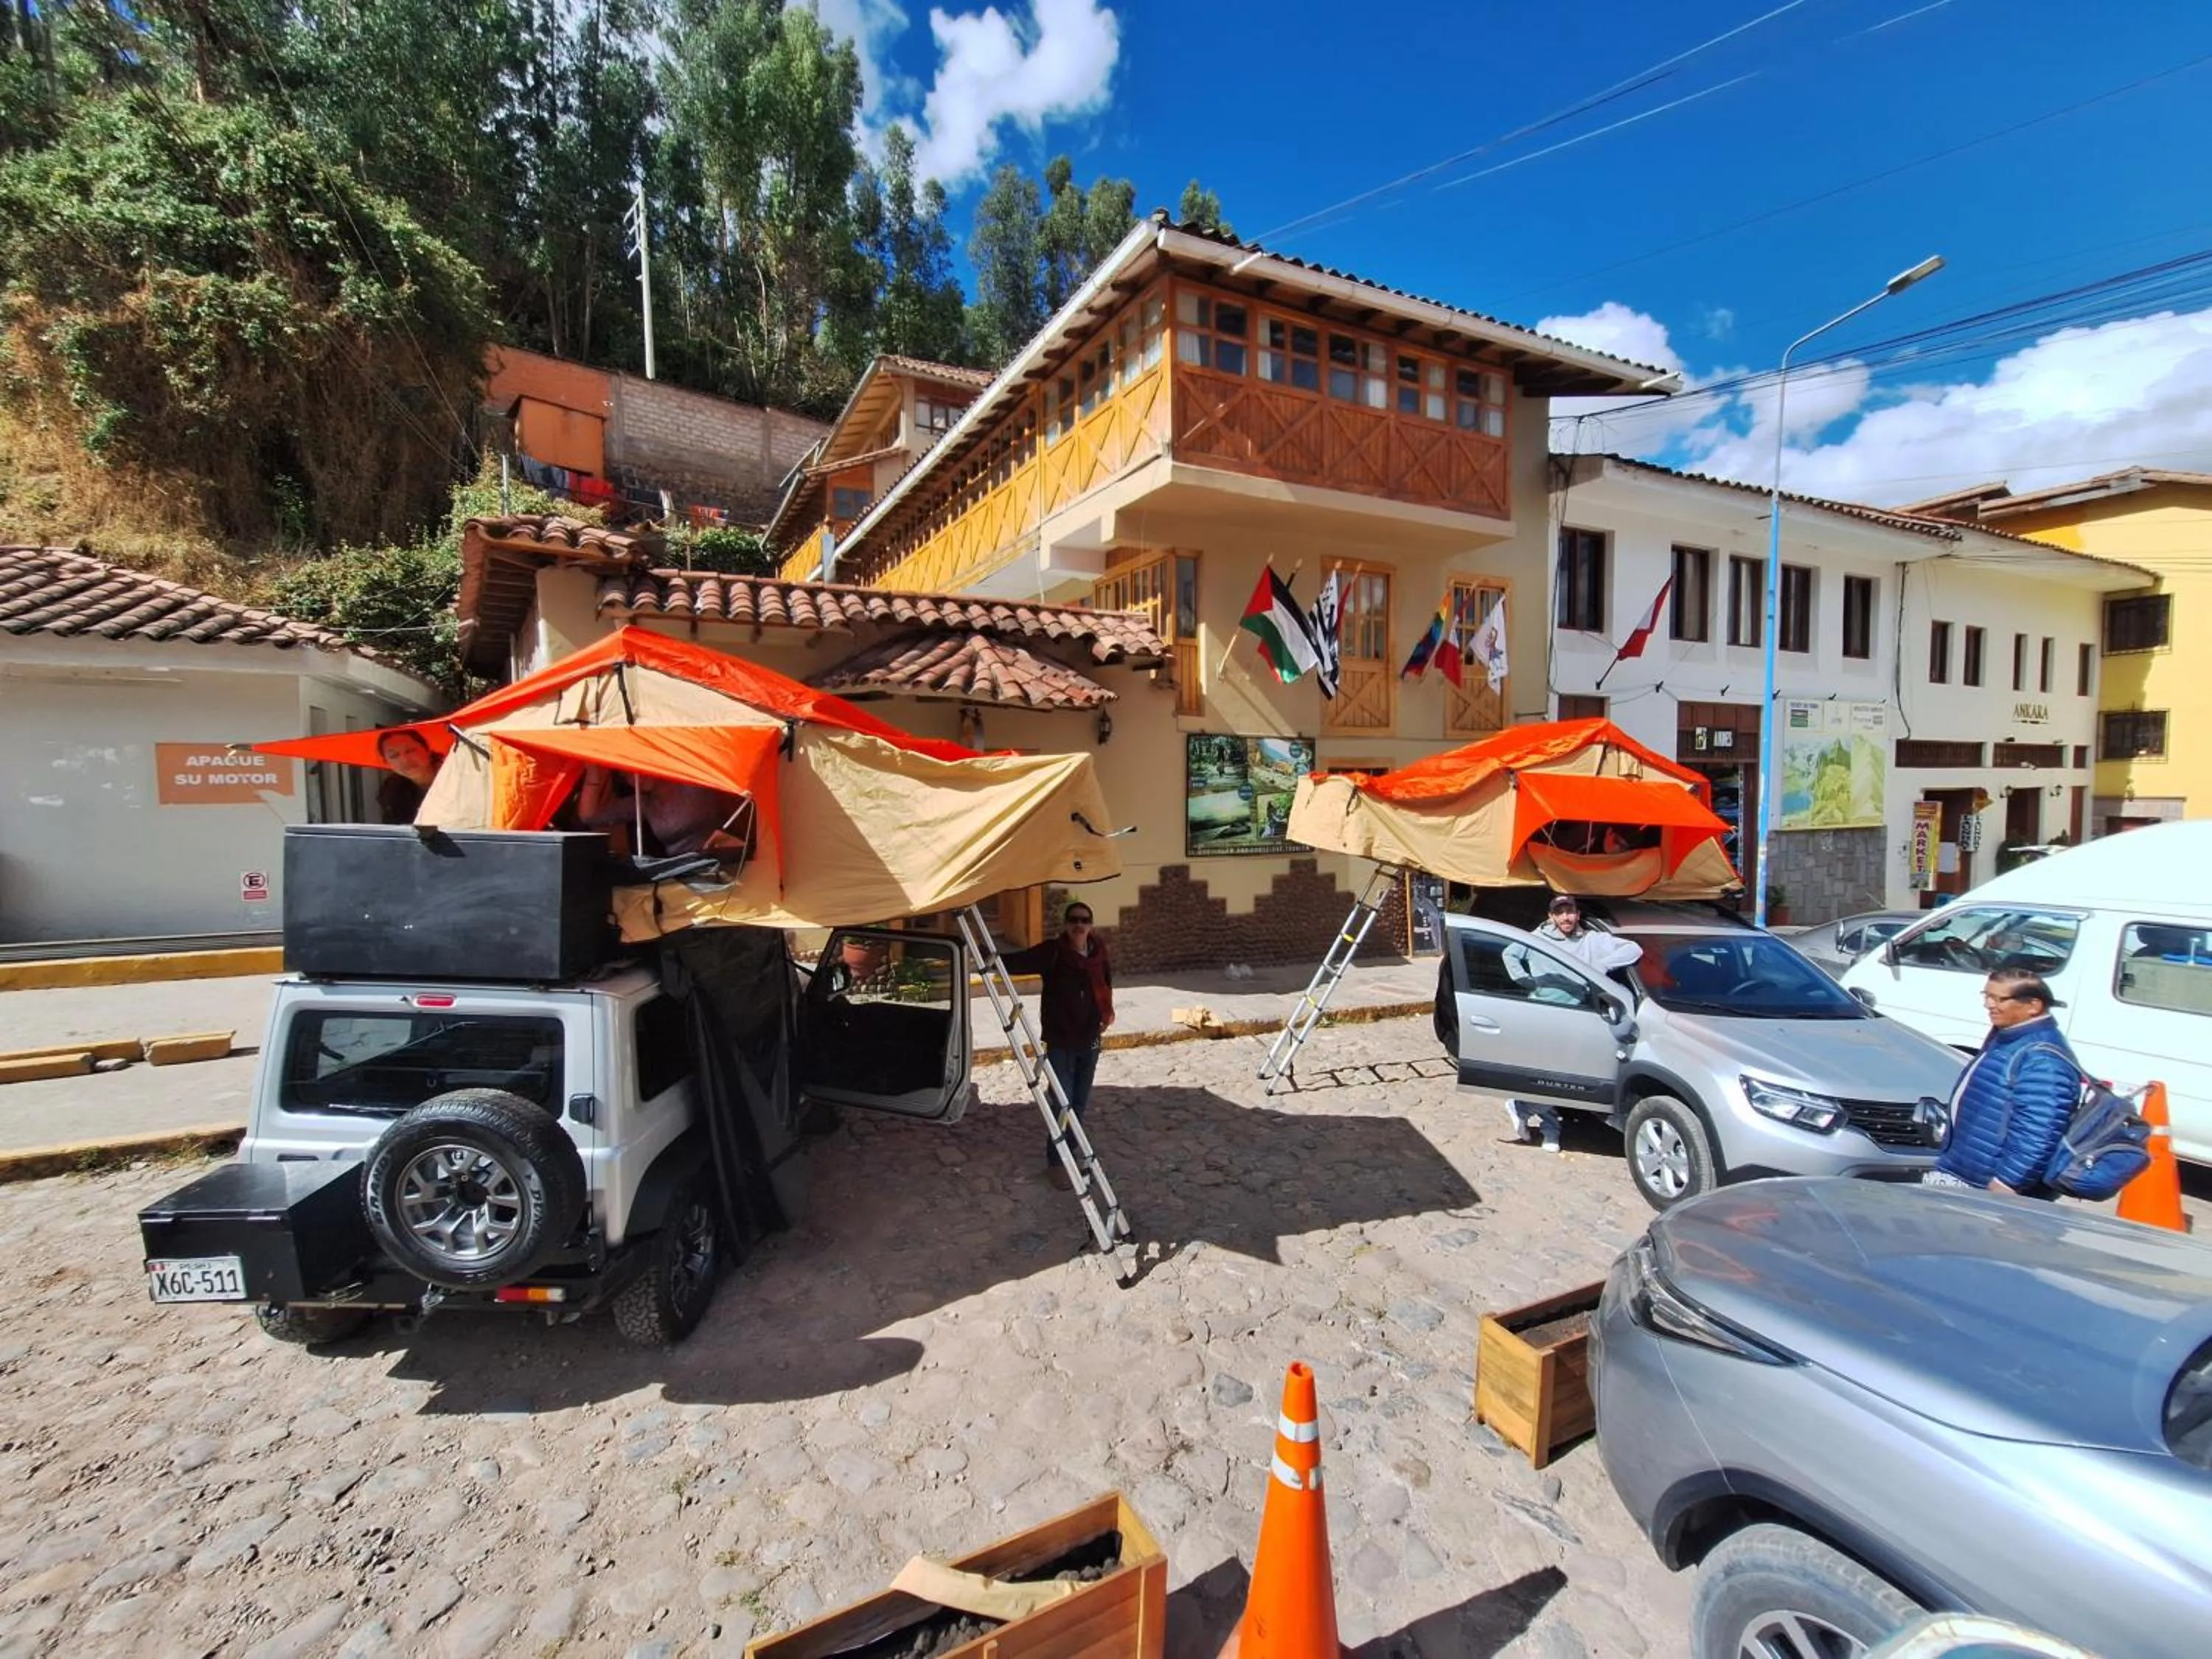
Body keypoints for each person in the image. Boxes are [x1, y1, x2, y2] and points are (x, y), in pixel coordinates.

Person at [1500, 894, 1642, 1154]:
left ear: (1577, 914)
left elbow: (1634, 949)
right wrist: (1528, 981)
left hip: (1580, 1015)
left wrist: (1601, 965)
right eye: (1560, 912)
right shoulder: (1537, 939)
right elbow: (1509, 954)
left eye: (1570, 912)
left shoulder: (1592, 941)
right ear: (1551, 916)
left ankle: (1522, 1107)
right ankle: (1550, 1129)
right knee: (1546, 1075)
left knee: (1562, 1076)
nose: (1566, 917)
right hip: (1544, 1014)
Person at [1924, 967, 2081, 1199]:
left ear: (2033, 1006)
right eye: (1986, 996)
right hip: (1963, 1172)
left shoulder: (2042, 1059)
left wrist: (2007, 1183)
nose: (1989, 1005)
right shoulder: (2007, 1037)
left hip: (1989, 1188)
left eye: (1999, 999)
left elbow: (2039, 1131)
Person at [1002, 902, 1115, 1186]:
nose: (1079, 925)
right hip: (1062, 1042)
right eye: (1074, 920)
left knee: (1079, 1102)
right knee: (1061, 1104)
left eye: (1085, 920)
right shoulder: (1053, 953)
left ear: (1091, 924)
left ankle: (1071, 1152)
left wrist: (1105, 1014)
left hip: (1089, 1040)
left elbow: (1106, 983)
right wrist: (985, 955)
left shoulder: (1098, 952)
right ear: (1066, 924)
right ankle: (1056, 1160)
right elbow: (1018, 962)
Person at [577, 765, 744, 858]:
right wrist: (593, 775)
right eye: (627, 775)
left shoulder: (694, 782)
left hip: (726, 863)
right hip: (683, 875)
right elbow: (589, 816)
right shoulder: (645, 804)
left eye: (640, 768)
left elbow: (739, 802)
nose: (637, 777)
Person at [375, 730, 441, 824]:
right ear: (387, 763)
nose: (405, 760)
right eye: (394, 756)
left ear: (427, 749)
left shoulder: (455, 775)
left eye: (410, 750)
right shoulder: (393, 791)